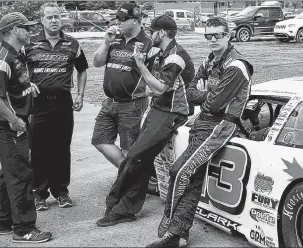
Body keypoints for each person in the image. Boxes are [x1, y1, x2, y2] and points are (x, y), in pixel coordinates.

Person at [147, 17, 254, 247]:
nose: (213, 39)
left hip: (222, 125)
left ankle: (168, 219)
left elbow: (215, 106)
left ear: (229, 35)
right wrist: (213, 93)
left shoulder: (237, 66)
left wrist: (210, 95)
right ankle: (178, 235)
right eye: (209, 36)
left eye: (218, 35)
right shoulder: (210, 60)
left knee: (179, 171)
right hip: (202, 121)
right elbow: (191, 93)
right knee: (193, 178)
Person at [96, 15, 195, 227]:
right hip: (159, 107)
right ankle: (123, 207)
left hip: (171, 113)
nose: (150, 35)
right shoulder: (163, 53)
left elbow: (157, 88)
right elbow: (152, 88)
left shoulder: (175, 57)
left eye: (152, 32)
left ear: (161, 33)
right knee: (139, 158)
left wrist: (141, 65)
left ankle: (117, 206)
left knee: (135, 156)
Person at [0, 12, 52, 243]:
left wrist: (27, 86)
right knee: (21, 175)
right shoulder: (2, 59)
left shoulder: (16, 54)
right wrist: (15, 120)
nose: (31, 31)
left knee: (9, 173)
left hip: (16, 125)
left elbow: (12, 84)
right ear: (13, 30)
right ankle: (23, 229)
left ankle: (5, 221)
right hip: (11, 128)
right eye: (26, 27)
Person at [23, 2, 89, 211]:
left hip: (63, 104)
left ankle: (61, 191)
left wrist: (80, 94)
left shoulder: (72, 44)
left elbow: (83, 70)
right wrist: (24, 85)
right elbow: (16, 69)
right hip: (37, 105)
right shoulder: (29, 44)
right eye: (49, 17)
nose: (53, 21)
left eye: (57, 17)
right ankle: (39, 193)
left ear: (61, 19)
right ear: (41, 20)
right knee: (39, 149)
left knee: (61, 149)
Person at [92, 3, 151, 175]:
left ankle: (132, 182)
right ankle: (130, 176)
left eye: (123, 19)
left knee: (129, 149)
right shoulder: (114, 40)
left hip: (132, 104)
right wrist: (106, 43)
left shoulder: (147, 43)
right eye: (117, 18)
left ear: (135, 20)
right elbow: (96, 62)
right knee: (99, 139)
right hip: (110, 101)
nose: (118, 22)